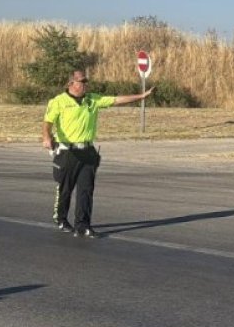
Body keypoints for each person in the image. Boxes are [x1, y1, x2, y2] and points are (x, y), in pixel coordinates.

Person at [41, 70, 153, 238]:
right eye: (80, 82)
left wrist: (140, 96)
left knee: (86, 189)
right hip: (67, 151)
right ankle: (61, 219)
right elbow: (48, 122)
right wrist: (46, 137)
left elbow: (116, 100)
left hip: (87, 151)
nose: (84, 85)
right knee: (65, 189)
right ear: (71, 84)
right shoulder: (58, 101)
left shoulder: (92, 99)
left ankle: (83, 225)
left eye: (85, 82)